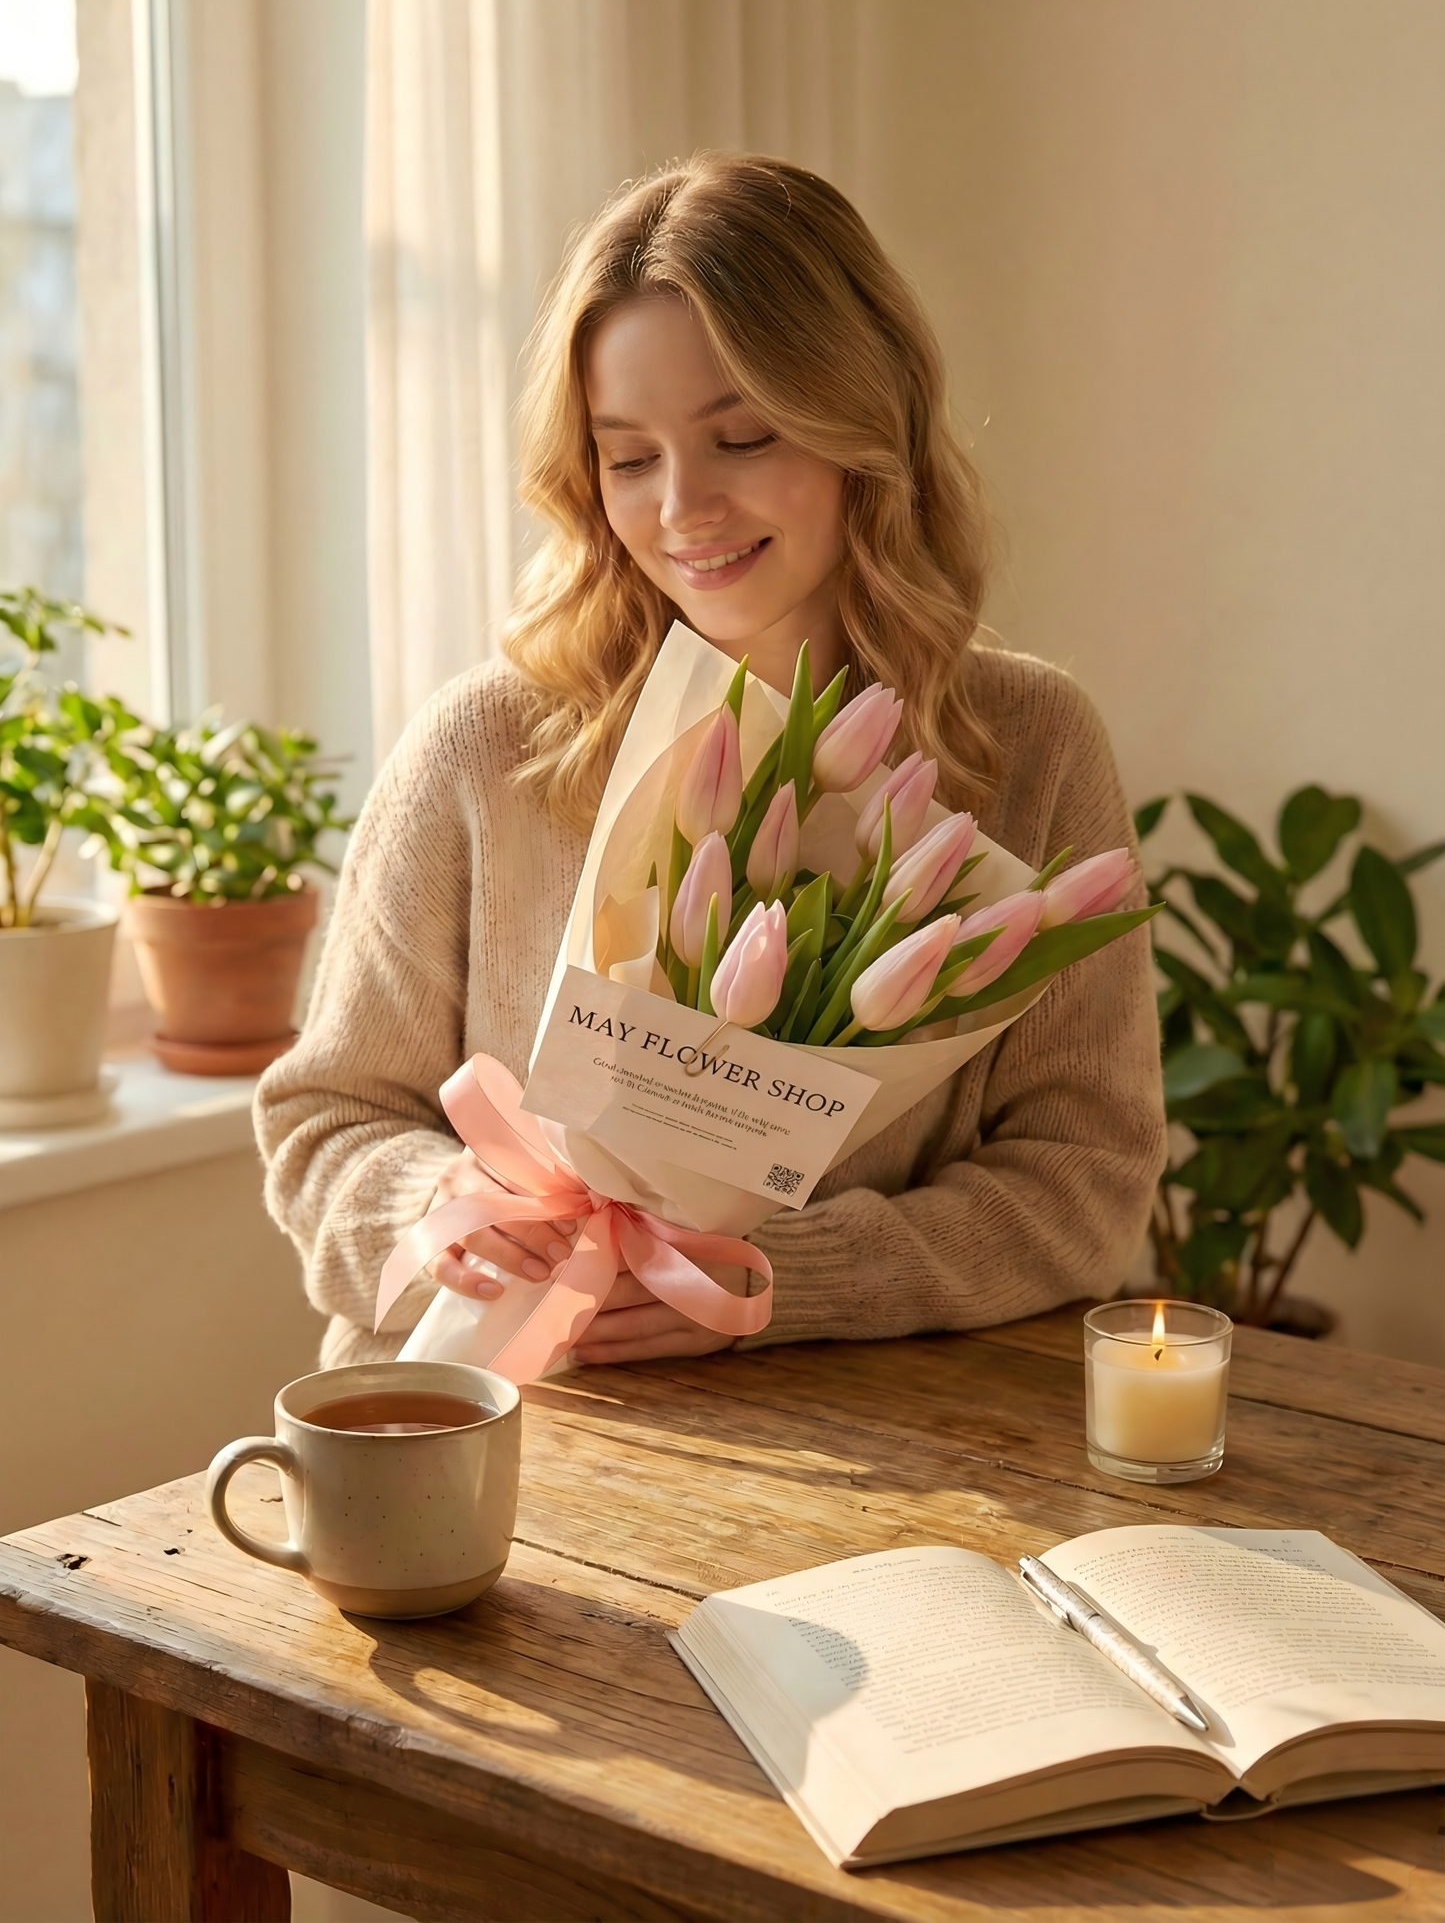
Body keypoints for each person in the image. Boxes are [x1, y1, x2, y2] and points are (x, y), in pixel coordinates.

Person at [255, 152, 1166, 1371]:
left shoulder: (1026, 746)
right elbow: (328, 1121)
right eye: (627, 457)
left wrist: (779, 1282)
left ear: (866, 427)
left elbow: (1087, 1183)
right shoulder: (486, 746)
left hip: (859, 1453)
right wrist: (434, 1214)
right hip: (465, 1442)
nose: (682, 505)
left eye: (740, 436)